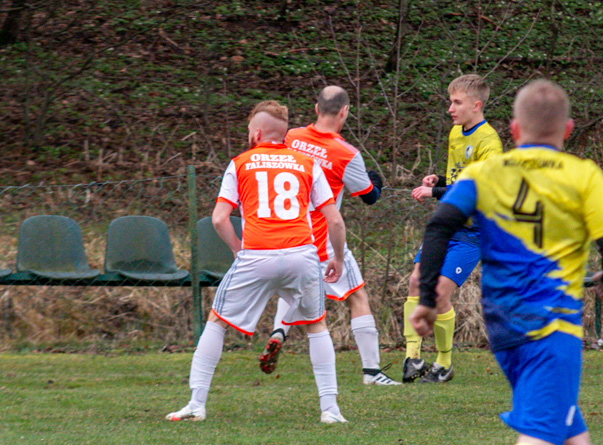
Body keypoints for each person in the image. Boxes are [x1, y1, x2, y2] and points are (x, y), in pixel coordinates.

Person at [411, 79, 603, 445]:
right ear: (568, 129)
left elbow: (440, 225)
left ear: (514, 129)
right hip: (551, 326)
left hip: (503, 326)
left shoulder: (488, 169)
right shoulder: (582, 175)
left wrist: (429, 294)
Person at [166, 100, 350, 424]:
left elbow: (220, 219)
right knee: (316, 326)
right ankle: (330, 409)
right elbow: (334, 221)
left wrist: (239, 250)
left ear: (257, 133)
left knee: (217, 321)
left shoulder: (240, 163)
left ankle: (196, 403)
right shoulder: (307, 164)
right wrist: (336, 257)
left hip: (257, 255)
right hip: (302, 255)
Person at [257, 86, 399, 386]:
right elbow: (369, 197)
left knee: (293, 289)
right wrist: (376, 180)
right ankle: (372, 372)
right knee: (357, 297)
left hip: (288, 231)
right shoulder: (346, 152)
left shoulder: (292, 136)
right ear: (344, 112)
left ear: (315, 107)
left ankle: (278, 332)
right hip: (323, 237)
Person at [403, 73, 503, 383]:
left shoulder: (490, 143)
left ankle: (443, 364)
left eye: (456, 102)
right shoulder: (456, 134)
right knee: (415, 282)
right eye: (450, 101)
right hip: (448, 226)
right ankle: (413, 358)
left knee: (438, 292)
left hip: (471, 234)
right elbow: (461, 182)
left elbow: (480, 191)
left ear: (476, 105)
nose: (450, 108)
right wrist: (439, 182)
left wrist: (433, 193)